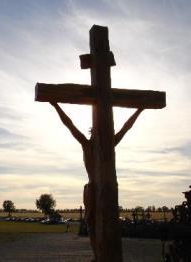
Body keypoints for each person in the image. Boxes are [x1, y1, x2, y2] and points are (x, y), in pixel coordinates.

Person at [50, 102, 143, 260]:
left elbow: (127, 127)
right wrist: (55, 105)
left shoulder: (108, 143)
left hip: (107, 188)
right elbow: (69, 124)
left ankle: (105, 254)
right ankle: (97, 255)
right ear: (93, 133)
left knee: (108, 222)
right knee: (92, 223)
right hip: (93, 188)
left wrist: (139, 109)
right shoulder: (87, 144)